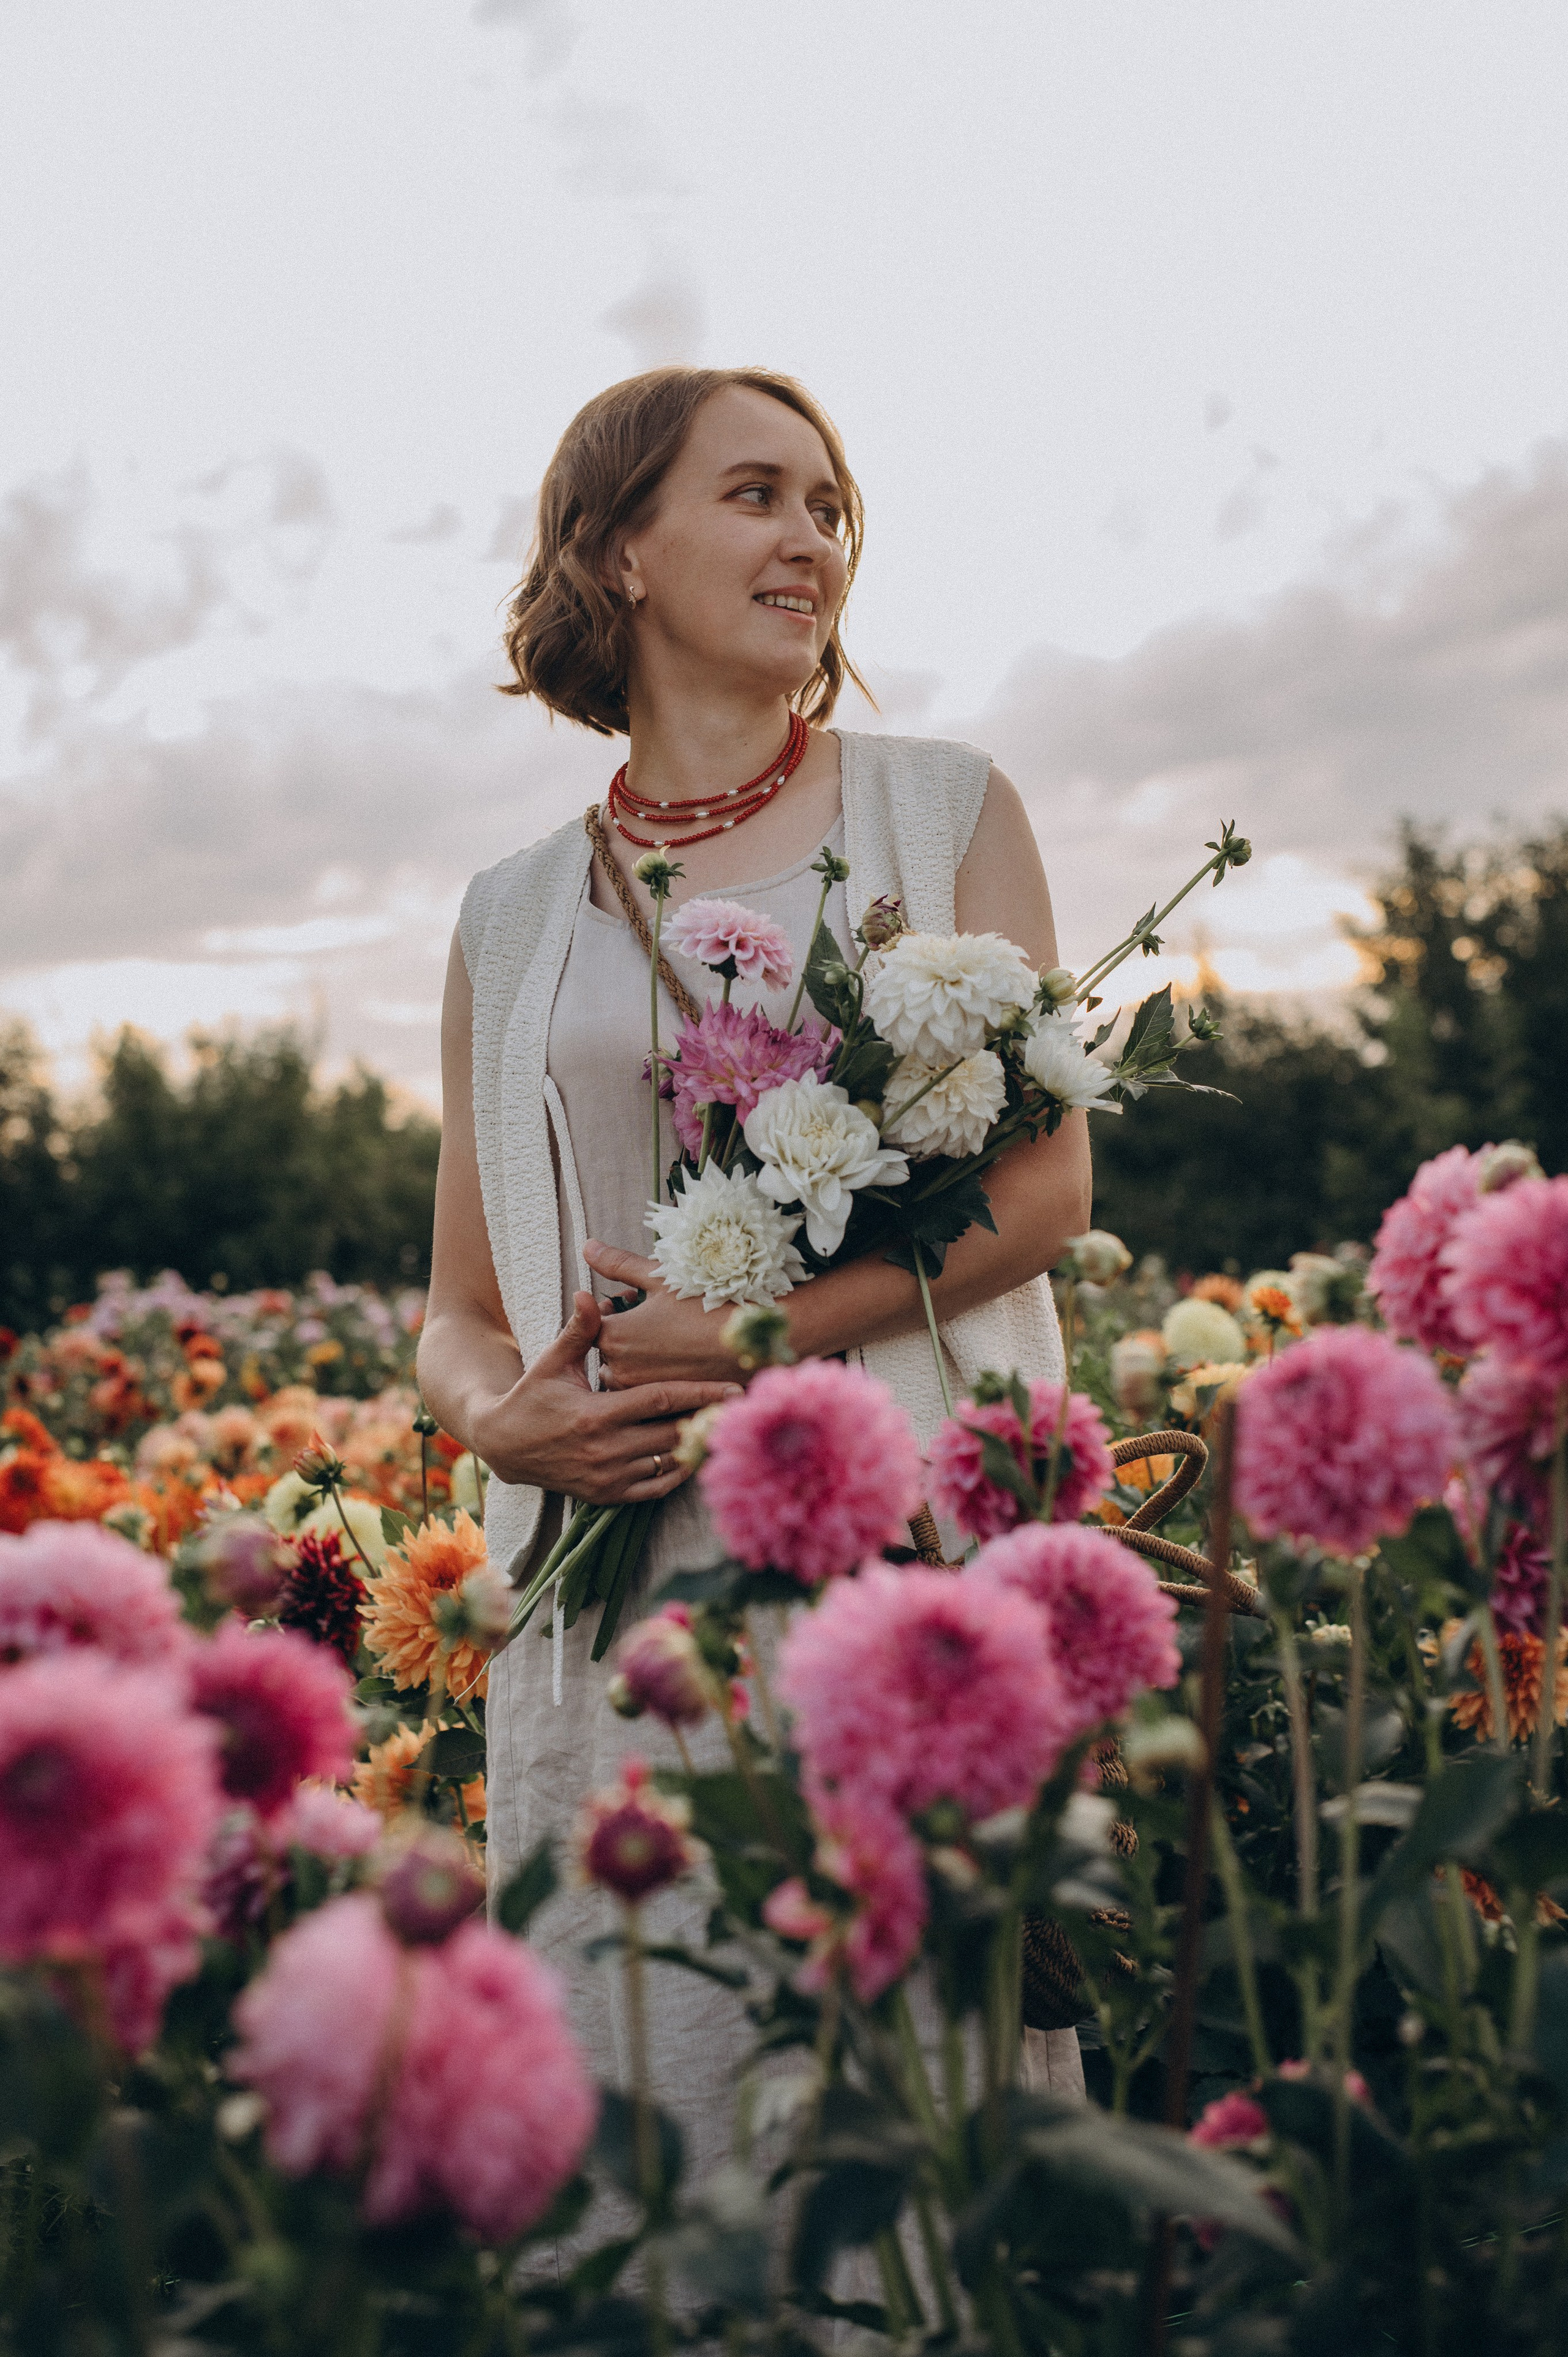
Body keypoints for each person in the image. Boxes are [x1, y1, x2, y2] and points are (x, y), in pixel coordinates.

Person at [417, 367, 1094, 2236]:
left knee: (905, 2146)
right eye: (756, 497)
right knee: (639, 2132)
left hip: (894, 1570)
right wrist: (500, 1417)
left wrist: (762, 1335)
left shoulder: (939, 813)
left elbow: (1041, 1189)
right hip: (605, 1603)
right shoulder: (508, 912)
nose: (812, 540)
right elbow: (459, 1305)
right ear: (620, 548)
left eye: (828, 506)